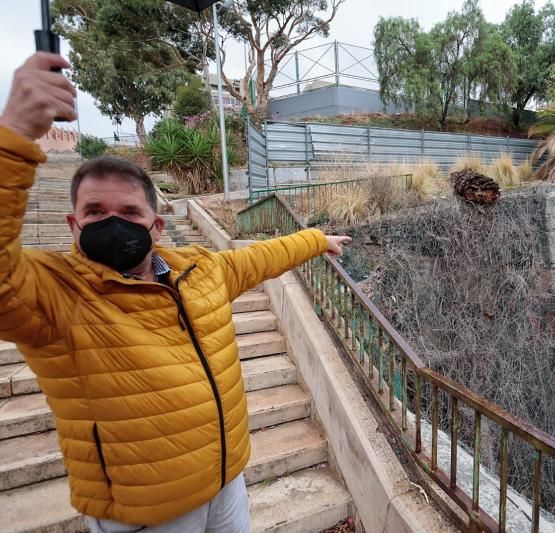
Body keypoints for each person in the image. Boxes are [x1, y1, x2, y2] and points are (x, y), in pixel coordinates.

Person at [0, 52, 351, 532]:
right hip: (150, 514)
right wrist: (14, 134)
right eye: (96, 212)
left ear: (157, 226)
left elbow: (258, 258)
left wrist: (315, 240)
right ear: (73, 224)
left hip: (226, 481)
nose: (114, 223)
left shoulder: (198, 272)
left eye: (129, 212)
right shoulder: (55, 294)